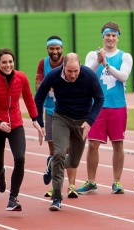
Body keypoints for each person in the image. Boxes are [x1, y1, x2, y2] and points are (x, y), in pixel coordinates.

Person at [34, 53, 104, 211]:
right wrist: (39, 121)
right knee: (59, 153)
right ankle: (57, 197)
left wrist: (89, 122)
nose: (73, 75)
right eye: (69, 71)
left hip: (81, 121)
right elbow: (39, 97)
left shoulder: (89, 76)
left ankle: (52, 164)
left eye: (76, 71)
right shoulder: (53, 75)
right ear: (63, 67)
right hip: (61, 118)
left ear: (80, 67)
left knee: (73, 162)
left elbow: (99, 98)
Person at [0, 48, 43, 211]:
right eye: (4, 62)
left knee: (20, 158)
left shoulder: (21, 77)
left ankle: (13, 198)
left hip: (16, 124)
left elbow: (29, 98)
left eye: (10, 62)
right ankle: (0, 175)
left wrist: (35, 118)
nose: (8, 65)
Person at [75, 21, 133, 195]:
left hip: (117, 106)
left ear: (118, 38)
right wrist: (99, 62)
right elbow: (86, 75)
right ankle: (91, 181)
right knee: (92, 144)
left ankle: (117, 181)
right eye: (108, 35)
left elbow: (123, 77)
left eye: (114, 35)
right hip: (96, 107)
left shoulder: (125, 56)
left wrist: (107, 64)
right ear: (103, 37)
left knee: (118, 143)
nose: (111, 38)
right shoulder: (93, 54)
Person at [35, 35, 65, 197]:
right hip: (50, 111)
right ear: (47, 49)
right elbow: (38, 86)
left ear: (62, 49)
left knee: (66, 149)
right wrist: (48, 85)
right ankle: (54, 184)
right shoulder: (43, 63)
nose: (55, 51)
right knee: (53, 148)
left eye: (57, 48)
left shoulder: (68, 61)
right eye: (52, 48)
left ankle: (52, 167)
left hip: (67, 111)